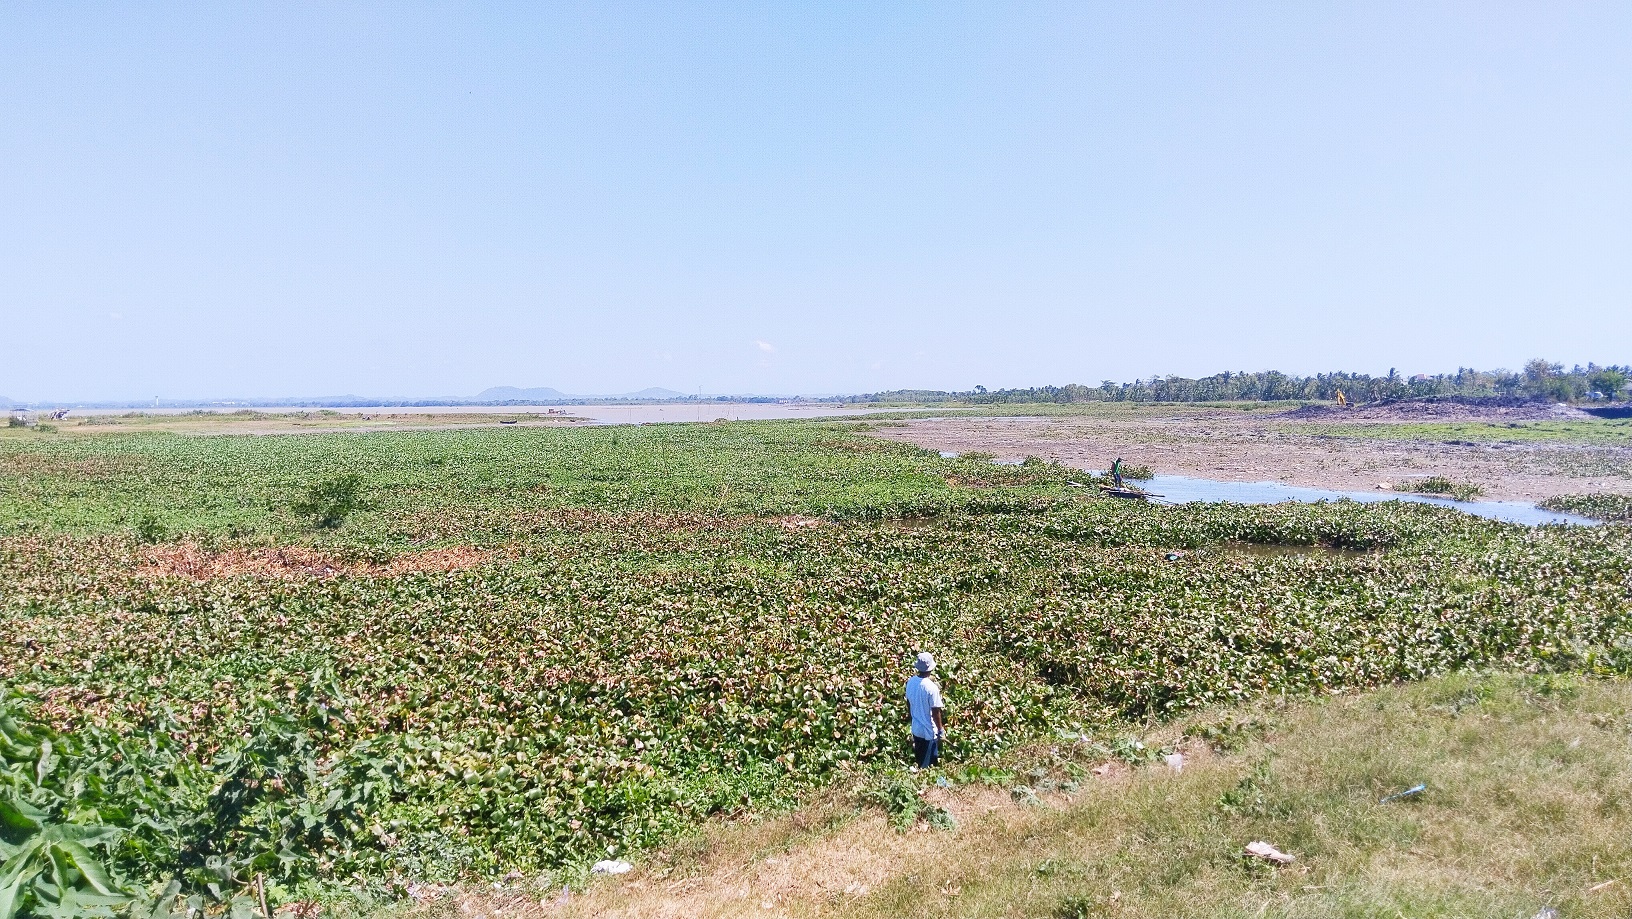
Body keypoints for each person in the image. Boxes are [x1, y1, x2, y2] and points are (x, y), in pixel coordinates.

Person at [904, 652, 945, 769]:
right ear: (930, 668)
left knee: (920, 759)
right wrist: (940, 730)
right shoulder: (932, 688)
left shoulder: (911, 682)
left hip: (916, 729)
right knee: (929, 766)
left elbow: (909, 702)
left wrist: (912, 717)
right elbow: (936, 712)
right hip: (928, 732)